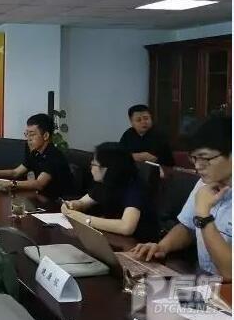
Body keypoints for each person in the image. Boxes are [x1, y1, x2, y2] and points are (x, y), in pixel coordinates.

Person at [131, 116, 231, 280]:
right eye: (194, 158)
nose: (197, 166)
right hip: (203, 279)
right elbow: (187, 227)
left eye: (205, 158)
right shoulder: (204, 183)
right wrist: (162, 247)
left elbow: (230, 273)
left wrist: (204, 217)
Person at [61, 142, 158, 242]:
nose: (91, 168)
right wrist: (73, 205)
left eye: (94, 164)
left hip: (140, 242)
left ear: (108, 169)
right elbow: (84, 202)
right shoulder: (104, 182)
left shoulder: (135, 187)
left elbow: (126, 227)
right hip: (114, 238)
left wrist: (84, 219)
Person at [0, 113, 74, 199]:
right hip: (43, 198)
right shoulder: (35, 152)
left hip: (62, 203)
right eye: (27, 134)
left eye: (32, 134)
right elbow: (15, 172)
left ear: (45, 136)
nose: (28, 139)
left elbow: (39, 184)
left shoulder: (54, 155)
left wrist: (10, 184)